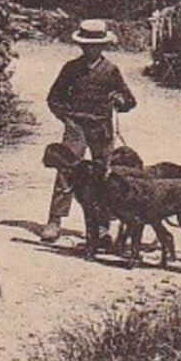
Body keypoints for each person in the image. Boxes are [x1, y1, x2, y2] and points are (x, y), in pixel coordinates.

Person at [39, 18, 137, 245]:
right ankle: (55, 221)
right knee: (66, 171)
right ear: (81, 46)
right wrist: (68, 119)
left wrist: (120, 101)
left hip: (101, 128)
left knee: (103, 175)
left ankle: (102, 227)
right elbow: (54, 98)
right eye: (86, 45)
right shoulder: (71, 69)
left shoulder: (111, 71)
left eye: (96, 46)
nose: (91, 50)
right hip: (76, 127)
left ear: (103, 46)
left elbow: (130, 101)